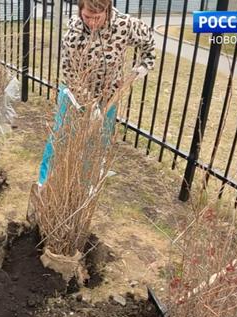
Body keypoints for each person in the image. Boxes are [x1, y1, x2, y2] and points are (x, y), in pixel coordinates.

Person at [36, 0, 155, 185]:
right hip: (75, 95)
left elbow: (148, 41)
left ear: (107, 11)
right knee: (61, 137)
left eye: (97, 18)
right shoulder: (74, 33)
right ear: (80, 11)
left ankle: (84, 185)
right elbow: (69, 72)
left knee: (98, 142)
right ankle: (45, 182)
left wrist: (144, 66)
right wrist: (89, 105)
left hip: (108, 96)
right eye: (87, 17)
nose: (91, 23)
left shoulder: (124, 25)